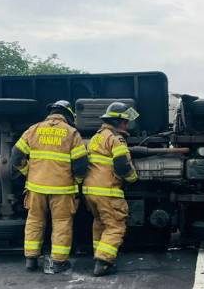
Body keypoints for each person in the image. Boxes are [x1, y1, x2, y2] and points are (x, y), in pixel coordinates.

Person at [10, 100, 89, 273]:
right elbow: (81, 165)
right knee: (61, 223)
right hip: (62, 189)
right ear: (68, 116)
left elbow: (15, 156)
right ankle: (59, 262)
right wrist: (77, 181)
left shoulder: (33, 129)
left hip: (36, 187)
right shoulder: (71, 133)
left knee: (34, 221)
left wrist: (28, 172)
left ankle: (31, 259)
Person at [83, 101, 139, 276]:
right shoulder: (116, 139)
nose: (127, 125)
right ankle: (103, 262)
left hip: (90, 191)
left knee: (100, 223)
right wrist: (133, 178)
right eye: (126, 122)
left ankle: (98, 254)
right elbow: (122, 165)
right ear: (119, 121)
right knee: (115, 226)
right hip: (107, 191)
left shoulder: (96, 137)